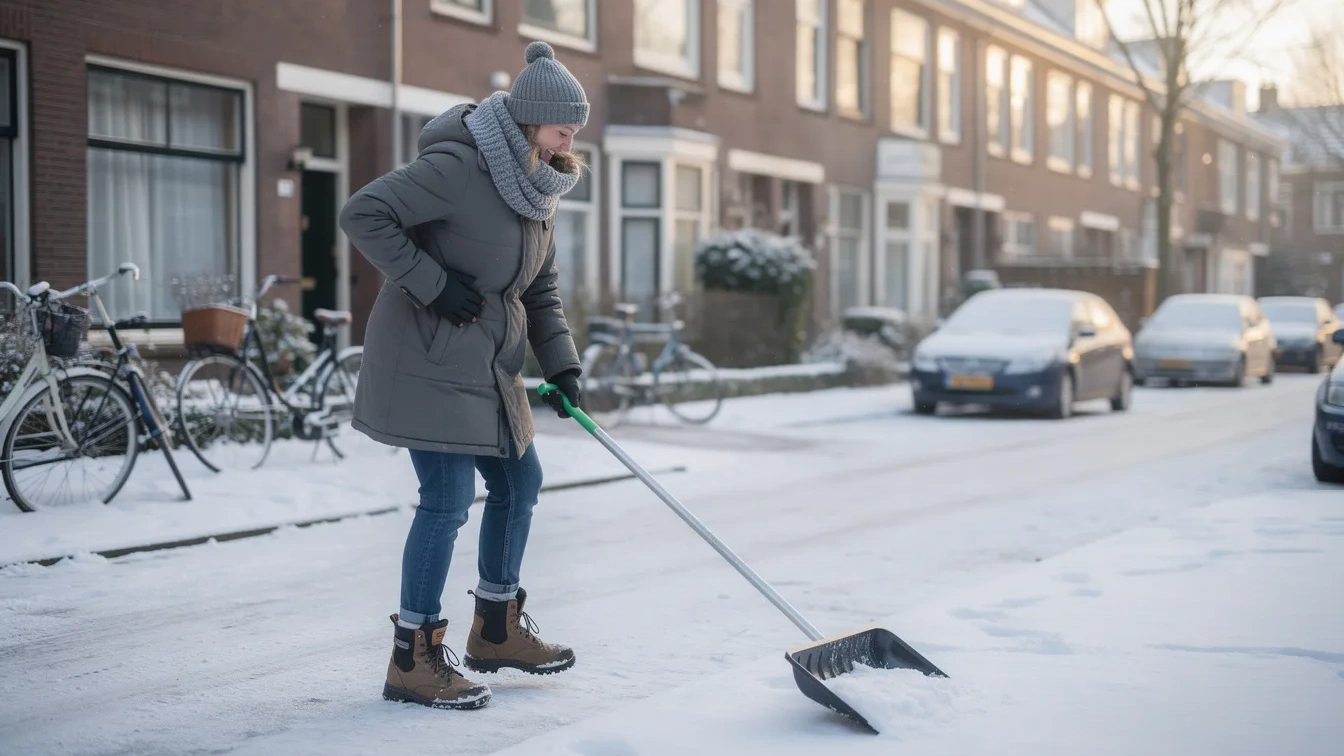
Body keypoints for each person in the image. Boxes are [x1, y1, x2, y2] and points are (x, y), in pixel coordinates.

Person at [338, 40, 587, 711]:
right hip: (426, 354)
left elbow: (540, 287)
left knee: (519, 480)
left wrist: (561, 360)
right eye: (563, 123)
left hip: (485, 363)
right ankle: (411, 658)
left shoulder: (539, 183)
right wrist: (431, 282)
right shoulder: (458, 166)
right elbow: (363, 213)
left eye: (574, 127)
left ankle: (497, 626)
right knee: (447, 499)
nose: (572, 136)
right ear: (530, 117)